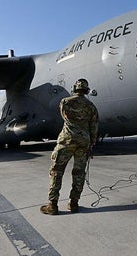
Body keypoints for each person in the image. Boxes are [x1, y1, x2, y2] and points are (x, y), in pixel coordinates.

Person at [41, 78, 98, 215]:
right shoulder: (91, 107)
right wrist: (92, 143)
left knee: (56, 171)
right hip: (83, 142)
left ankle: (53, 205)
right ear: (86, 90)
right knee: (79, 173)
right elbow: (94, 127)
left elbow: (65, 117)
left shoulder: (65, 102)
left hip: (67, 140)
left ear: (74, 89)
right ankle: (74, 204)